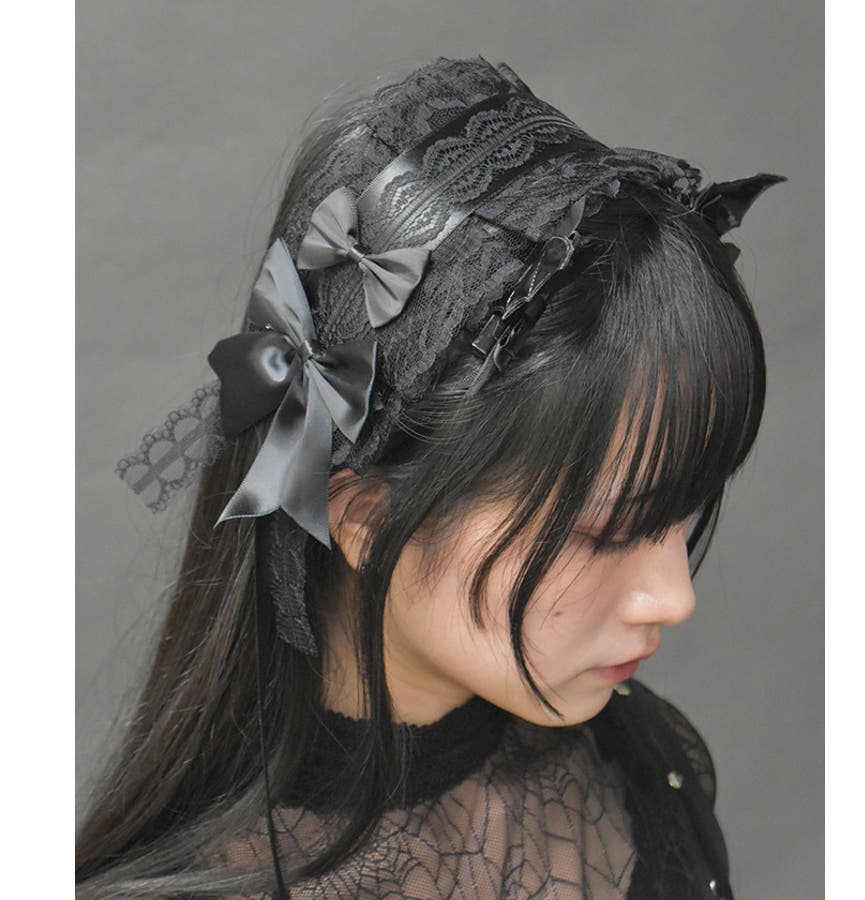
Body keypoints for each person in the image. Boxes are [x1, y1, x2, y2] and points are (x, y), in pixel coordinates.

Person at [75, 56, 786, 899]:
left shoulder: (635, 771)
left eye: (681, 513)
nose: (673, 597)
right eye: (606, 532)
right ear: (364, 520)